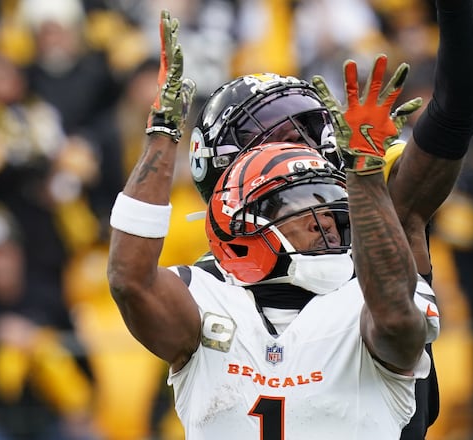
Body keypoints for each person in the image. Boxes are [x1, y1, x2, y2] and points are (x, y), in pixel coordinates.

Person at [107, 10, 440, 439]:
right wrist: (163, 129)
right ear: (243, 222)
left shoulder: (364, 296)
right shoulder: (208, 296)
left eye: (330, 200)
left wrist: (364, 175)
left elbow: (396, 318)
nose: (326, 219)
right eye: (302, 201)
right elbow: (128, 280)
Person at [187, 0, 473, 436]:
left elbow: (455, 116)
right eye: (286, 134)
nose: (310, 143)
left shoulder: (373, 188)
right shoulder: (213, 279)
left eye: (310, 127)